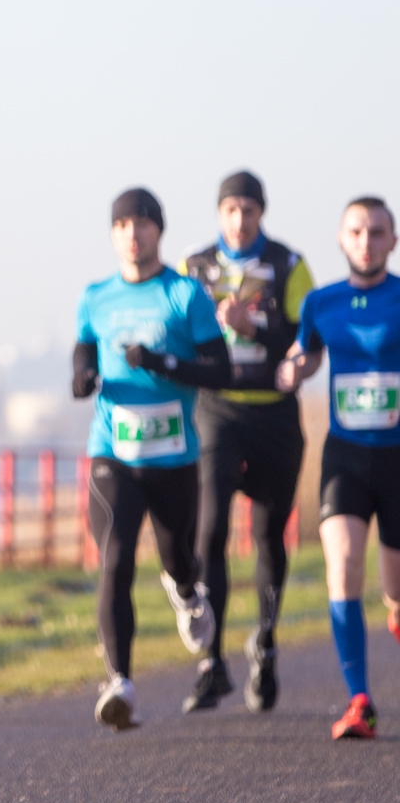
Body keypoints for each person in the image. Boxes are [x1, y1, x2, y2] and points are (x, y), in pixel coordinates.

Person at [72, 188, 229, 730]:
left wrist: (163, 363)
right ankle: (119, 682)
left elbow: (220, 369)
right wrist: (82, 376)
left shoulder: (183, 295)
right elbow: (84, 348)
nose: (132, 234)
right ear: (112, 234)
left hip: (173, 456)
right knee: (115, 559)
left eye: (141, 223)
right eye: (121, 225)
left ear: (158, 230)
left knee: (177, 556)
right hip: (112, 452)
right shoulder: (96, 296)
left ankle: (187, 592)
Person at [177, 171, 314, 713]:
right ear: (219, 213)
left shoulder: (289, 265)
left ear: (262, 212)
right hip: (218, 412)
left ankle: (265, 641)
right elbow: (178, 336)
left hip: (275, 415)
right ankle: (211, 662)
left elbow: (307, 342)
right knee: (210, 530)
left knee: (267, 536)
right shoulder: (194, 268)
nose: (239, 221)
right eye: (230, 210)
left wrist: (252, 327)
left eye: (248, 210)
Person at [276, 196, 400, 740]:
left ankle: (395, 609)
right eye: (356, 232)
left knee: (396, 590)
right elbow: (303, 356)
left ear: (393, 241)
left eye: (377, 232)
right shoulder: (321, 303)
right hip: (345, 456)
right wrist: (292, 370)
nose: (366, 242)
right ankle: (359, 701)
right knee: (343, 562)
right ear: (341, 239)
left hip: (397, 458)